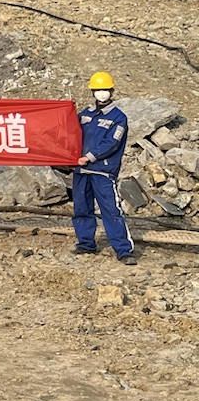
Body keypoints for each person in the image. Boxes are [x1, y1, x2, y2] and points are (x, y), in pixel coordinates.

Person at [72, 71, 135, 264]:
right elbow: (70, 132)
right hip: (81, 171)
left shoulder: (118, 117)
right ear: (92, 91)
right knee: (81, 208)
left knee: (111, 210)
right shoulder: (85, 114)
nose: (101, 93)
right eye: (98, 90)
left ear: (112, 90)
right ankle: (86, 243)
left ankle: (124, 250)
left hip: (102, 171)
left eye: (105, 89)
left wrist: (89, 157)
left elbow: (111, 144)